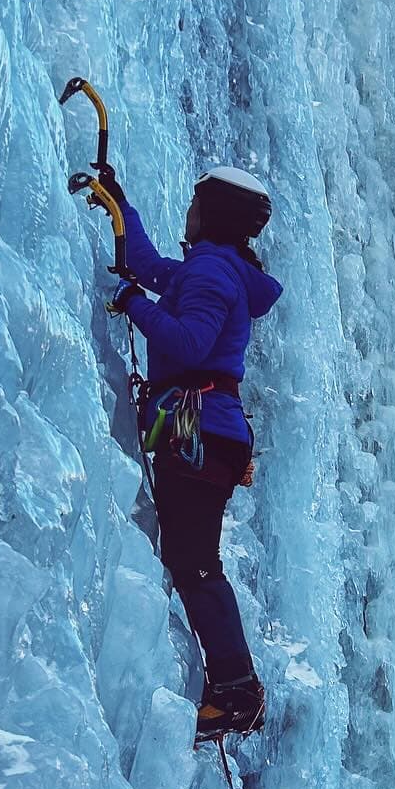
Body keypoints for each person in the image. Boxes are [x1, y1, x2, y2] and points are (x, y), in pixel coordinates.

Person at [102, 163, 281, 740]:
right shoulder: (217, 269)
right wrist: (120, 207)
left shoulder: (210, 270)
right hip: (211, 432)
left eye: (195, 202)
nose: (188, 212)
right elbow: (153, 269)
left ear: (212, 213)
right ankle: (232, 685)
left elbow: (187, 340)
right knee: (193, 561)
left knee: (196, 564)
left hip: (198, 431)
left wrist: (131, 304)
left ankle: (237, 690)